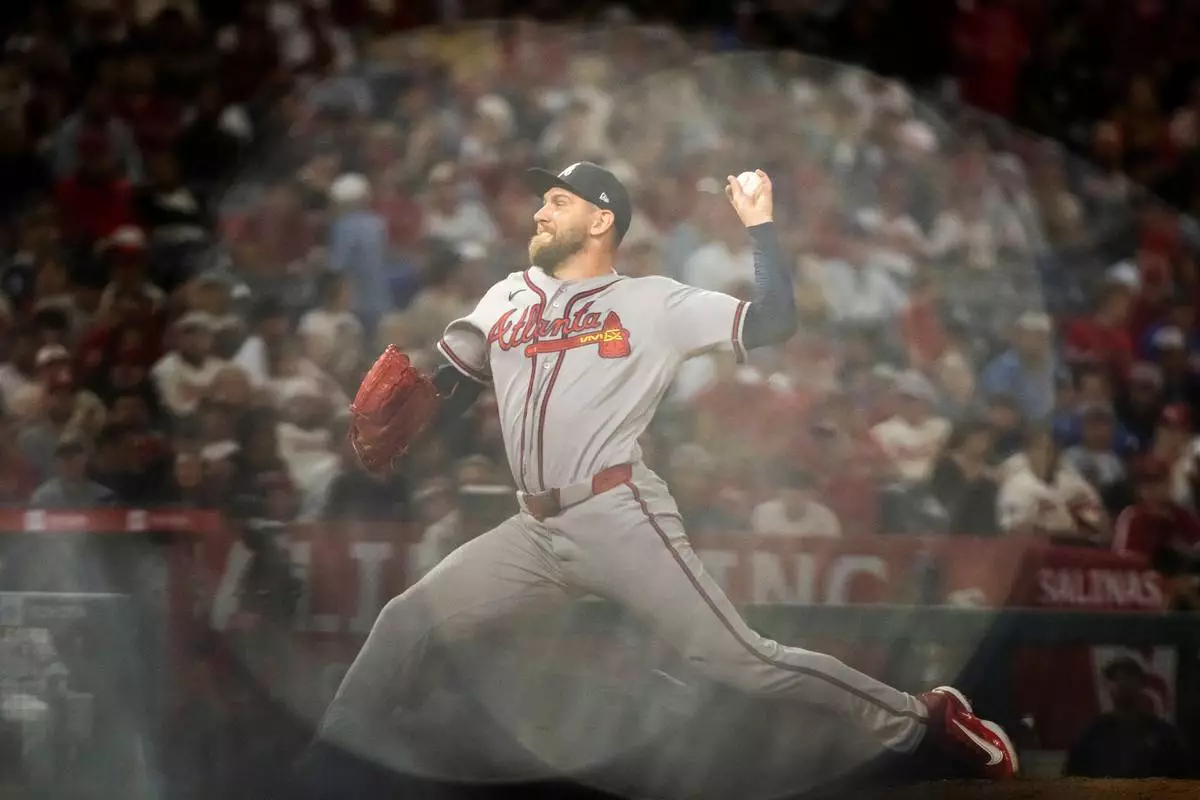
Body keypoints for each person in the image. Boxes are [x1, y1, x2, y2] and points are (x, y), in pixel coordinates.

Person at [304, 163, 1018, 795]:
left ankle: (922, 720)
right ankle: (321, 775)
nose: (539, 212)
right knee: (406, 621)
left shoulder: (653, 300)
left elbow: (773, 320)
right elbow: (452, 380)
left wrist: (761, 226)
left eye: (556, 200)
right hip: (531, 528)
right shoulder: (503, 298)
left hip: (616, 513)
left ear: (600, 218)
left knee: (741, 661)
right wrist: (414, 418)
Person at [1064, 656, 1193, 778]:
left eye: (1129, 677)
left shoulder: (1163, 733)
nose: (1122, 683)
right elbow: (1073, 777)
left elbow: (1181, 776)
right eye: (1115, 678)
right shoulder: (1092, 733)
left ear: (1142, 684)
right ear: (1107, 686)